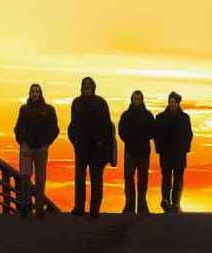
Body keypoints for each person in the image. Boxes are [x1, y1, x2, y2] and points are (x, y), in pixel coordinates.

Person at [66, 76, 115, 217]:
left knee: (96, 179)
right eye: (85, 87)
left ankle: (94, 209)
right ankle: (79, 207)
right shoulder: (76, 103)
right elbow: (73, 124)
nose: (87, 89)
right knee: (80, 178)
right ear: (82, 88)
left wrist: (103, 143)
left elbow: (107, 125)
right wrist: (74, 140)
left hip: (97, 148)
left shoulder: (100, 103)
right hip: (81, 146)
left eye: (89, 86)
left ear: (93, 87)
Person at [13, 83, 59, 218]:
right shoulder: (24, 109)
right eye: (32, 91)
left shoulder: (49, 110)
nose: (35, 93)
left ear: (40, 93)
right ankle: (26, 204)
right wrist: (22, 142)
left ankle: (39, 206)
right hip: (26, 146)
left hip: (41, 148)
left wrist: (46, 143)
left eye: (37, 91)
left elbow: (55, 130)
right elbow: (17, 128)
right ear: (29, 93)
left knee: (40, 179)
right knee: (25, 175)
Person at [153, 91, 193, 212]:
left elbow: (189, 134)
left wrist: (185, 148)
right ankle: (165, 200)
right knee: (166, 176)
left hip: (179, 153)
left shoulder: (185, 118)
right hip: (165, 153)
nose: (172, 104)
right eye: (170, 102)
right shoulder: (160, 118)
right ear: (168, 103)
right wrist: (159, 149)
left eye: (174, 102)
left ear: (178, 103)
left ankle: (176, 203)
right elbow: (156, 134)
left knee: (178, 177)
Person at [117, 90, 154, 215]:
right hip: (130, 151)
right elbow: (121, 131)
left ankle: (142, 205)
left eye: (139, 99)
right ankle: (130, 204)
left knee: (143, 178)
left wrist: (143, 138)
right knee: (128, 176)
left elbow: (153, 131)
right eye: (135, 99)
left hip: (143, 151)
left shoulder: (148, 115)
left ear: (142, 100)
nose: (137, 101)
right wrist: (130, 139)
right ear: (131, 100)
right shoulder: (126, 115)